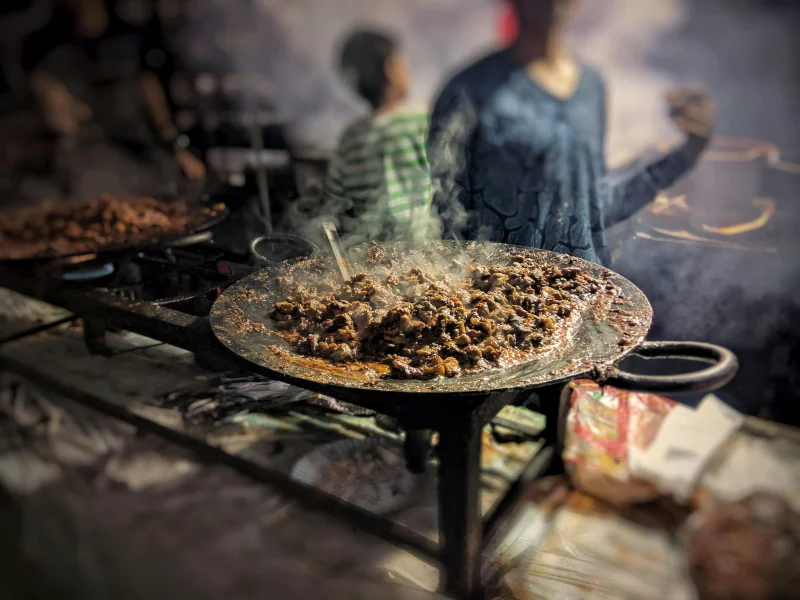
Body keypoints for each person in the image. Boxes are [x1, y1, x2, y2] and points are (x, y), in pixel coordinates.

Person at [428, 0, 715, 266]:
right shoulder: (469, 90)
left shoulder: (591, 86)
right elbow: (446, 216)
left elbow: (594, 208)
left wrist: (686, 154)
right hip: (500, 304)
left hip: (586, 296)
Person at [23, 0, 205, 200]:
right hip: (86, 166)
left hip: (142, 158)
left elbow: (154, 100)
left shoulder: (132, 38)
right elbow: (41, 98)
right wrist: (47, 93)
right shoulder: (43, 46)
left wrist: (177, 148)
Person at [324, 29, 431, 245]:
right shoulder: (421, 121)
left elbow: (335, 197)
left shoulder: (351, 137)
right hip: (424, 249)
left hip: (371, 253)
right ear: (390, 68)